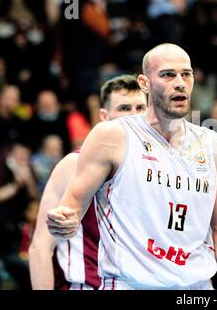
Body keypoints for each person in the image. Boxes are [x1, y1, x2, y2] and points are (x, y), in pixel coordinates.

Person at [46, 43, 217, 290]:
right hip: (129, 284)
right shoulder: (113, 136)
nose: (180, 82)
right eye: (168, 74)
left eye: (186, 74)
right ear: (144, 83)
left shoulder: (211, 143)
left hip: (196, 287)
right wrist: (65, 221)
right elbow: (72, 208)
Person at [29, 75, 148, 290]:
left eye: (140, 107)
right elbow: (40, 247)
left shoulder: (156, 171)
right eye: (124, 108)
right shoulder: (74, 164)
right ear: (104, 116)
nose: (133, 115)